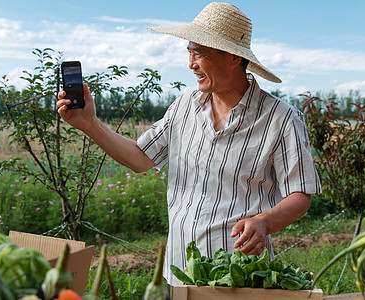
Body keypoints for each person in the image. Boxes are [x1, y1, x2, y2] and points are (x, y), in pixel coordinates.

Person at [57, 2, 321, 286]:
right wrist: (91, 124)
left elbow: (300, 194)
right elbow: (139, 158)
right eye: (190, 52)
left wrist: (264, 222)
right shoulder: (184, 106)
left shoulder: (281, 118)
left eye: (200, 53)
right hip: (179, 275)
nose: (191, 63)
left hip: (241, 277)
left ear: (233, 57)